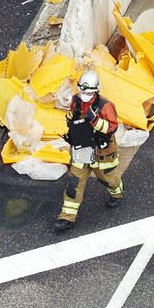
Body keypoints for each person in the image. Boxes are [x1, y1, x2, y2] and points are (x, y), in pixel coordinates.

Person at [54, 68, 123, 233]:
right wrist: (72, 125)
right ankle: (67, 217)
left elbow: (111, 127)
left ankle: (117, 193)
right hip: (82, 147)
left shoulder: (105, 106)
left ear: (96, 91)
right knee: (75, 182)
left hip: (101, 150)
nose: (85, 95)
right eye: (83, 91)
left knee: (107, 178)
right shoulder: (77, 100)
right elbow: (71, 117)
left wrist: (95, 120)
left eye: (88, 93)